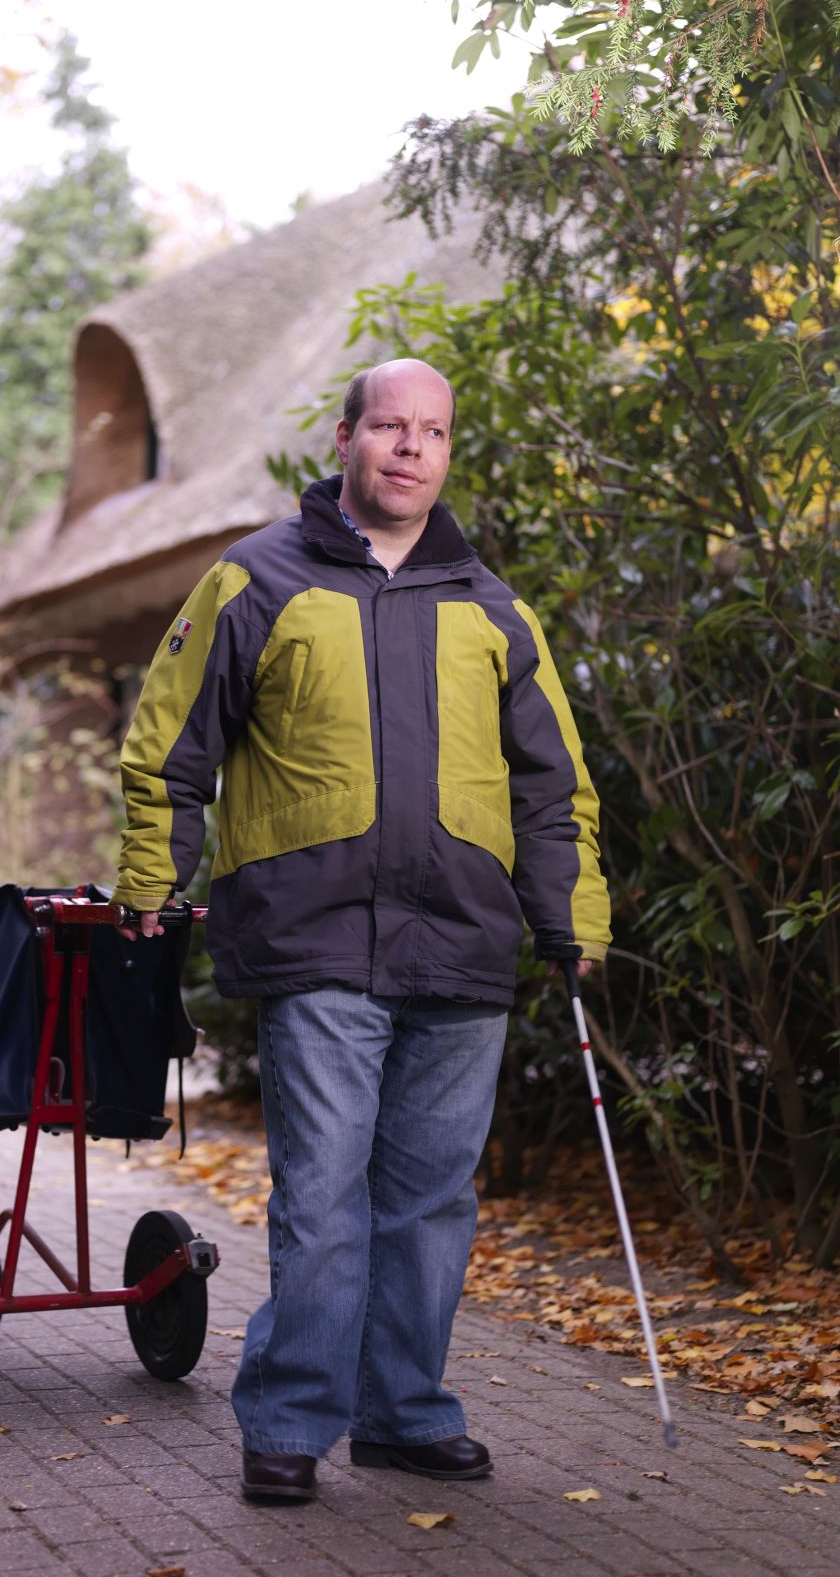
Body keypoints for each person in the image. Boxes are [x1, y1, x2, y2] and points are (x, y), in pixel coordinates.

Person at [113, 358, 610, 1502]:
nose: (409, 448)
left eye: (431, 431)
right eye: (389, 425)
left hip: (465, 944)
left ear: (445, 453)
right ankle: (290, 1421)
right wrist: (155, 884)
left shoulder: (492, 608)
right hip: (316, 938)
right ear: (344, 437)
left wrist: (571, 913)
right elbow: (168, 747)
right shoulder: (256, 580)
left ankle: (404, 1412)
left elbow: (553, 787)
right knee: (325, 1193)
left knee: (432, 1199)